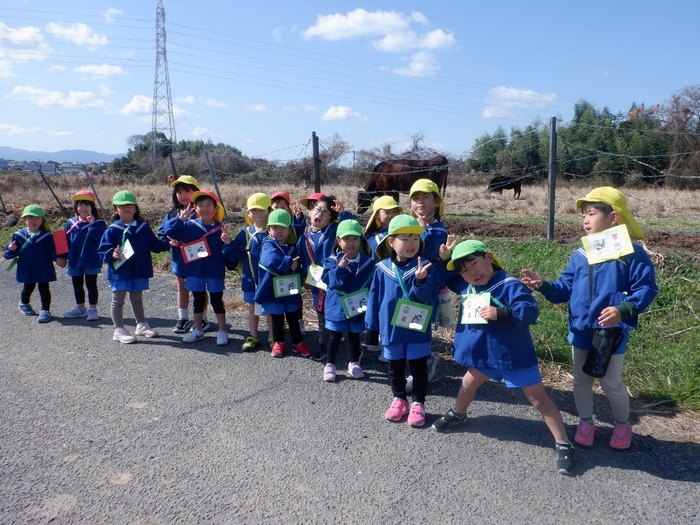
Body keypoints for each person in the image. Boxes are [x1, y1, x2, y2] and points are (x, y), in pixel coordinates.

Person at [522, 187, 658, 451]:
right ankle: (586, 422)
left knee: (610, 381)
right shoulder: (581, 255)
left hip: (611, 331)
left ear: (613, 218)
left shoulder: (632, 254)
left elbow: (646, 289)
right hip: (581, 328)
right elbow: (564, 288)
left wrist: (623, 310)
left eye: (592, 214)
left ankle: (622, 425)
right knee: (581, 378)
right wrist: (544, 286)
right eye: (583, 215)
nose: (585, 220)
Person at [433, 240, 576, 475]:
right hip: (485, 354)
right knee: (467, 383)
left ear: (489, 258)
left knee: (539, 400)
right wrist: (443, 259)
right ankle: (458, 414)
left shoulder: (510, 285)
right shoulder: (467, 285)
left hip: (512, 355)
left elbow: (530, 311)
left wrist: (501, 312)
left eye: (474, 264)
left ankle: (563, 443)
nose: (471, 273)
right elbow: (445, 278)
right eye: (464, 270)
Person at [365, 215, 439, 427]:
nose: (411, 243)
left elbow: (426, 298)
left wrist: (420, 281)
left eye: (415, 238)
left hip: (416, 327)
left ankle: (418, 403)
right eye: (405, 238)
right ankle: (399, 399)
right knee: (395, 367)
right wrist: (372, 328)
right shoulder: (382, 268)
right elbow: (375, 298)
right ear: (391, 241)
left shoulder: (425, 267)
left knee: (418, 367)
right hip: (390, 328)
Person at [162, 190, 235, 346]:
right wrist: (182, 217)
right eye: (200, 205)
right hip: (195, 271)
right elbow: (169, 230)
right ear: (195, 208)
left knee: (217, 300)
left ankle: (222, 330)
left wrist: (227, 241)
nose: (205, 209)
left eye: (209, 205)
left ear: (216, 208)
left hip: (215, 271)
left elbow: (229, 251)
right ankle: (197, 329)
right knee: (198, 300)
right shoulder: (189, 225)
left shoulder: (220, 228)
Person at [98, 191, 169, 343]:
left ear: (135, 208)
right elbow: (102, 250)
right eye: (122, 206)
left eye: (130, 206)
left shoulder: (143, 227)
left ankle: (141, 325)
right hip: (120, 271)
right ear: (115, 210)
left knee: (137, 298)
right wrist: (112, 254)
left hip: (139, 270)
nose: (127, 209)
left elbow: (155, 245)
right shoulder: (112, 230)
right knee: (118, 300)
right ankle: (119, 329)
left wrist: (169, 244)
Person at [320, 219, 375, 382]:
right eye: (346, 239)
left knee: (354, 336)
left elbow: (372, 284)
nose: (351, 243)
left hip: (358, 306)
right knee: (335, 336)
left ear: (360, 240)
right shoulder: (332, 261)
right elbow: (329, 281)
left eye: (355, 238)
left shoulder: (368, 262)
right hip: (337, 306)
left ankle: (354, 362)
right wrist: (340, 268)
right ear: (338, 241)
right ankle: (330, 364)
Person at [158, 174, 211, 334]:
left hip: (198, 257)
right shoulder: (172, 214)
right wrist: (169, 241)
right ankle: (183, 318)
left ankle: (202, 318)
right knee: (181, 286)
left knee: (199, 288)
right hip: (179, 257)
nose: (182, 195)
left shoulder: (201, 212)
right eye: (179, 192)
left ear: (196, 192)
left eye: (187, 191)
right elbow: (162, 232)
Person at [409, 178, 449, 382]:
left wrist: (422, 229)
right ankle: (418, 359)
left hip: (429, 286)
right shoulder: (409, 225)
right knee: (411, 322)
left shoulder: (438, 230)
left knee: (420, 324)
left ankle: (423, 364)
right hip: (412, 283)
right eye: (415, 198)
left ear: (436, 202)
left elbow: (428, 253)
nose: (420, 202)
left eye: (426, 197)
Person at [255, 209, 309, 358]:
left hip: (290, 289)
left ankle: (297, 342)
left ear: (289, 230)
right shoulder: (268, 244)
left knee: (293, 317)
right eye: (275, 227)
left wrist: (304, 278)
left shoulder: (291, 248)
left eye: (283, 227)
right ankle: (279, 342)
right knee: (277, 318)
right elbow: (270, 259)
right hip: (274, 290)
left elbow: (299, 265)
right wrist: (289, 263)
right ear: (268, 229)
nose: (279, 231)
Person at [296, 195, 344, 362]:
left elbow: (348, 229)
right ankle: (324, 342)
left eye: (326, 213)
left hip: (333, 278)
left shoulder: (333, 230)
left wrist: (343, 214)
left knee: (334, 309)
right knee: (320, 311)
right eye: (318, 209)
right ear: (311, 211)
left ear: (331, 219)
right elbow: (302, 256)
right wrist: (304, 277)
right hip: (316, 281)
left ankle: (334, 338)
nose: (320, 214)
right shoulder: (305, 234)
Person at [4, 204, 65, 323]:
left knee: (44, 288)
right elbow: (8, 255)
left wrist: (58, 258)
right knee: (28, 287)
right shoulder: (18, 235)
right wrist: (11, 249)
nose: (34, 221)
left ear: (42, 220)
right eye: (30, 218)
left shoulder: (47, 236)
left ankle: (45, 310)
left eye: (38, 218)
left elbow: (52, 250)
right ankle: (24, 303)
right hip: (27, 267)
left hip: (43, 267)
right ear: (24, 220)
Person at [228, 193, 273, 351]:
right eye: (254, 210)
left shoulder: (274, 231)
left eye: (261, 209)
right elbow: (236, 255)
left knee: (270, 308)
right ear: (248, 213)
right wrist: (228, 243)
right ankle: (253, 335)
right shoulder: (245, 233)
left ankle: (273, 336)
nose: (257, 213)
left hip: (269, 279)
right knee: (252, 307)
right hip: (251, 279)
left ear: (269, 210)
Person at [62, 190, 106, 321]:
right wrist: (62, 256)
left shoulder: (99, 223)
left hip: (91, 260)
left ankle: (93, 309)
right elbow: (64, 241)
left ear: (92, 207)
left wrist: (92, 225)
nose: (83, 208)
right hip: (74, 259)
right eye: (80, 205)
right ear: (76, 207)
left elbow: (99, 239)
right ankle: (80, 308)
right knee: (77, 284)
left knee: (91, 284)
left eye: (87, 205)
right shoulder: (70, 222)